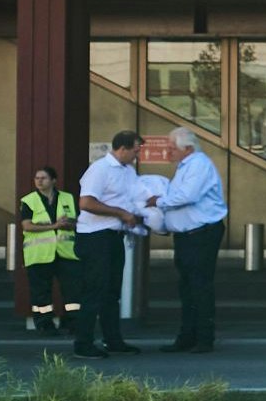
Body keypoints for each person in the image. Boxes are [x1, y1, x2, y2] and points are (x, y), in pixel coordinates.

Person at [71, 130, 146, 359]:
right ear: (122, 149)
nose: (137, 155)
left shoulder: (129, 172)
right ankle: (83, 343)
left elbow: (133, 198)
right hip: (95, 236)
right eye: (135, 150)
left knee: (112, 291)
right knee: (95, 289)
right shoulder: (100, 169)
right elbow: (86, 202)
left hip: (115, 236)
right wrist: (120, 213)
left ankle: (113, 340)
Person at [154, 125, 228, 354]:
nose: (168, 152)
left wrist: (157, 202)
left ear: (186, 148)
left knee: (199, 286)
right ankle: (187, 336)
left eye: (171, 147)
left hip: (201, 234)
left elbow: (187, 196)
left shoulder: (198, 164)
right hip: (188, 235)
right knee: (187, 288)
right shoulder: (185, 166)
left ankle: (204, 338)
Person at [17, 165, 79, 335]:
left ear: (53, 180)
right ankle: (45, 323)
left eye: (43, 178)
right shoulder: (29, 200)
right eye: (37, 178)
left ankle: (73, 322)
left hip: (66, 252)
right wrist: (55, 225)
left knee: (72, 290)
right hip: (39, 254)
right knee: (41, 293)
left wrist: (69, 223)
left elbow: (80, 222)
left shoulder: (68, 198)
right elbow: (27, 226)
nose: (39, 181)